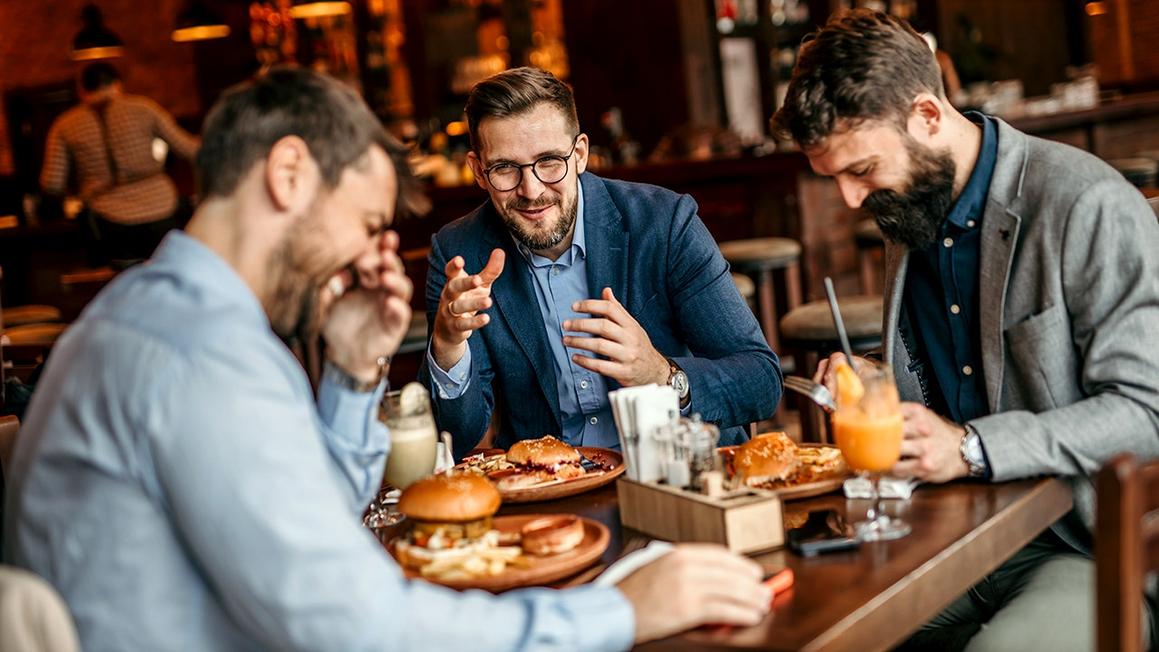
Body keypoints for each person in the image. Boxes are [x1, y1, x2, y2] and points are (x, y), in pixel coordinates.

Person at [5, 67, 772, 651]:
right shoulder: (199, 355)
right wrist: (627, 611)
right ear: (289, 175)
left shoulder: (167, 316)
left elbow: (321, 520)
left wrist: (350, 372)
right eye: (368, 220)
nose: (371, 253)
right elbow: (349, 621)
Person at [773, 10, 1159, 651]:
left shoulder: (1085, 204)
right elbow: (966, 360)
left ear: (927, 116)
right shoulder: (913, 201)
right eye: (833, 177)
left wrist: (970, 448)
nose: (848, 199)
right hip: (947, 528)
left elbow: (1146, 410)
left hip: (1085, 542)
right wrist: (873, 371)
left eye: (861, 169)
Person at [420, 67, 781, 458]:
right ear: (478, 171)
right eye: (505, 168)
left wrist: (660, 374)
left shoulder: (664, 222)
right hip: (552, 490)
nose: (531, 190)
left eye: (549, 161)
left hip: (679, 478)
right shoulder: (459, 252)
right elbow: (455, 434)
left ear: (579, 155)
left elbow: (761, 382)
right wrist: (448, 345)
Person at [40, 62, 199, 263]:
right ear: (117, 85)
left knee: (122, 279)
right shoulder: (144, 109)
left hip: (108, 216)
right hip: (160, 205)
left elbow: (52, 183)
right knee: (169, 269)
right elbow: (189, 149)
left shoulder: (65, 125)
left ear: (82, 90)